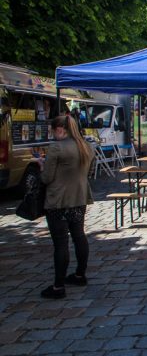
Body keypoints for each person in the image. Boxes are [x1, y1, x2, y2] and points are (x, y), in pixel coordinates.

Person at [36, 115, 94, 299]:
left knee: (61, 242)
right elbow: (88, 173)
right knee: (79, 235)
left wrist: (41, 166)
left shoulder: (57, 148)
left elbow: (47, 178)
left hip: (59, 200)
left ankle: (58, 286)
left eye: (53, 130)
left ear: (60, 129)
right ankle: (80, 274)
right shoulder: (87, 146)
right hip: (79, 197)